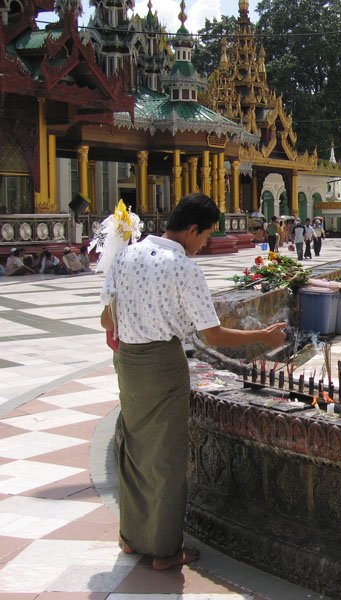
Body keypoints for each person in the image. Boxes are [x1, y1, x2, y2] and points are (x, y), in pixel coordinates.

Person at [99, 193, 286, 570]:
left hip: (128, 362)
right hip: (162, 364)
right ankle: (165, 551)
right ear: (192, 229)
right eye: (205, 237)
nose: (203, 245)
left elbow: (107, 320)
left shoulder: (126, 254)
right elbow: (212, 335)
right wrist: (263, 336)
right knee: (167, 458)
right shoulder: (182, 266)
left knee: (135, 450)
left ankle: (131, 537)